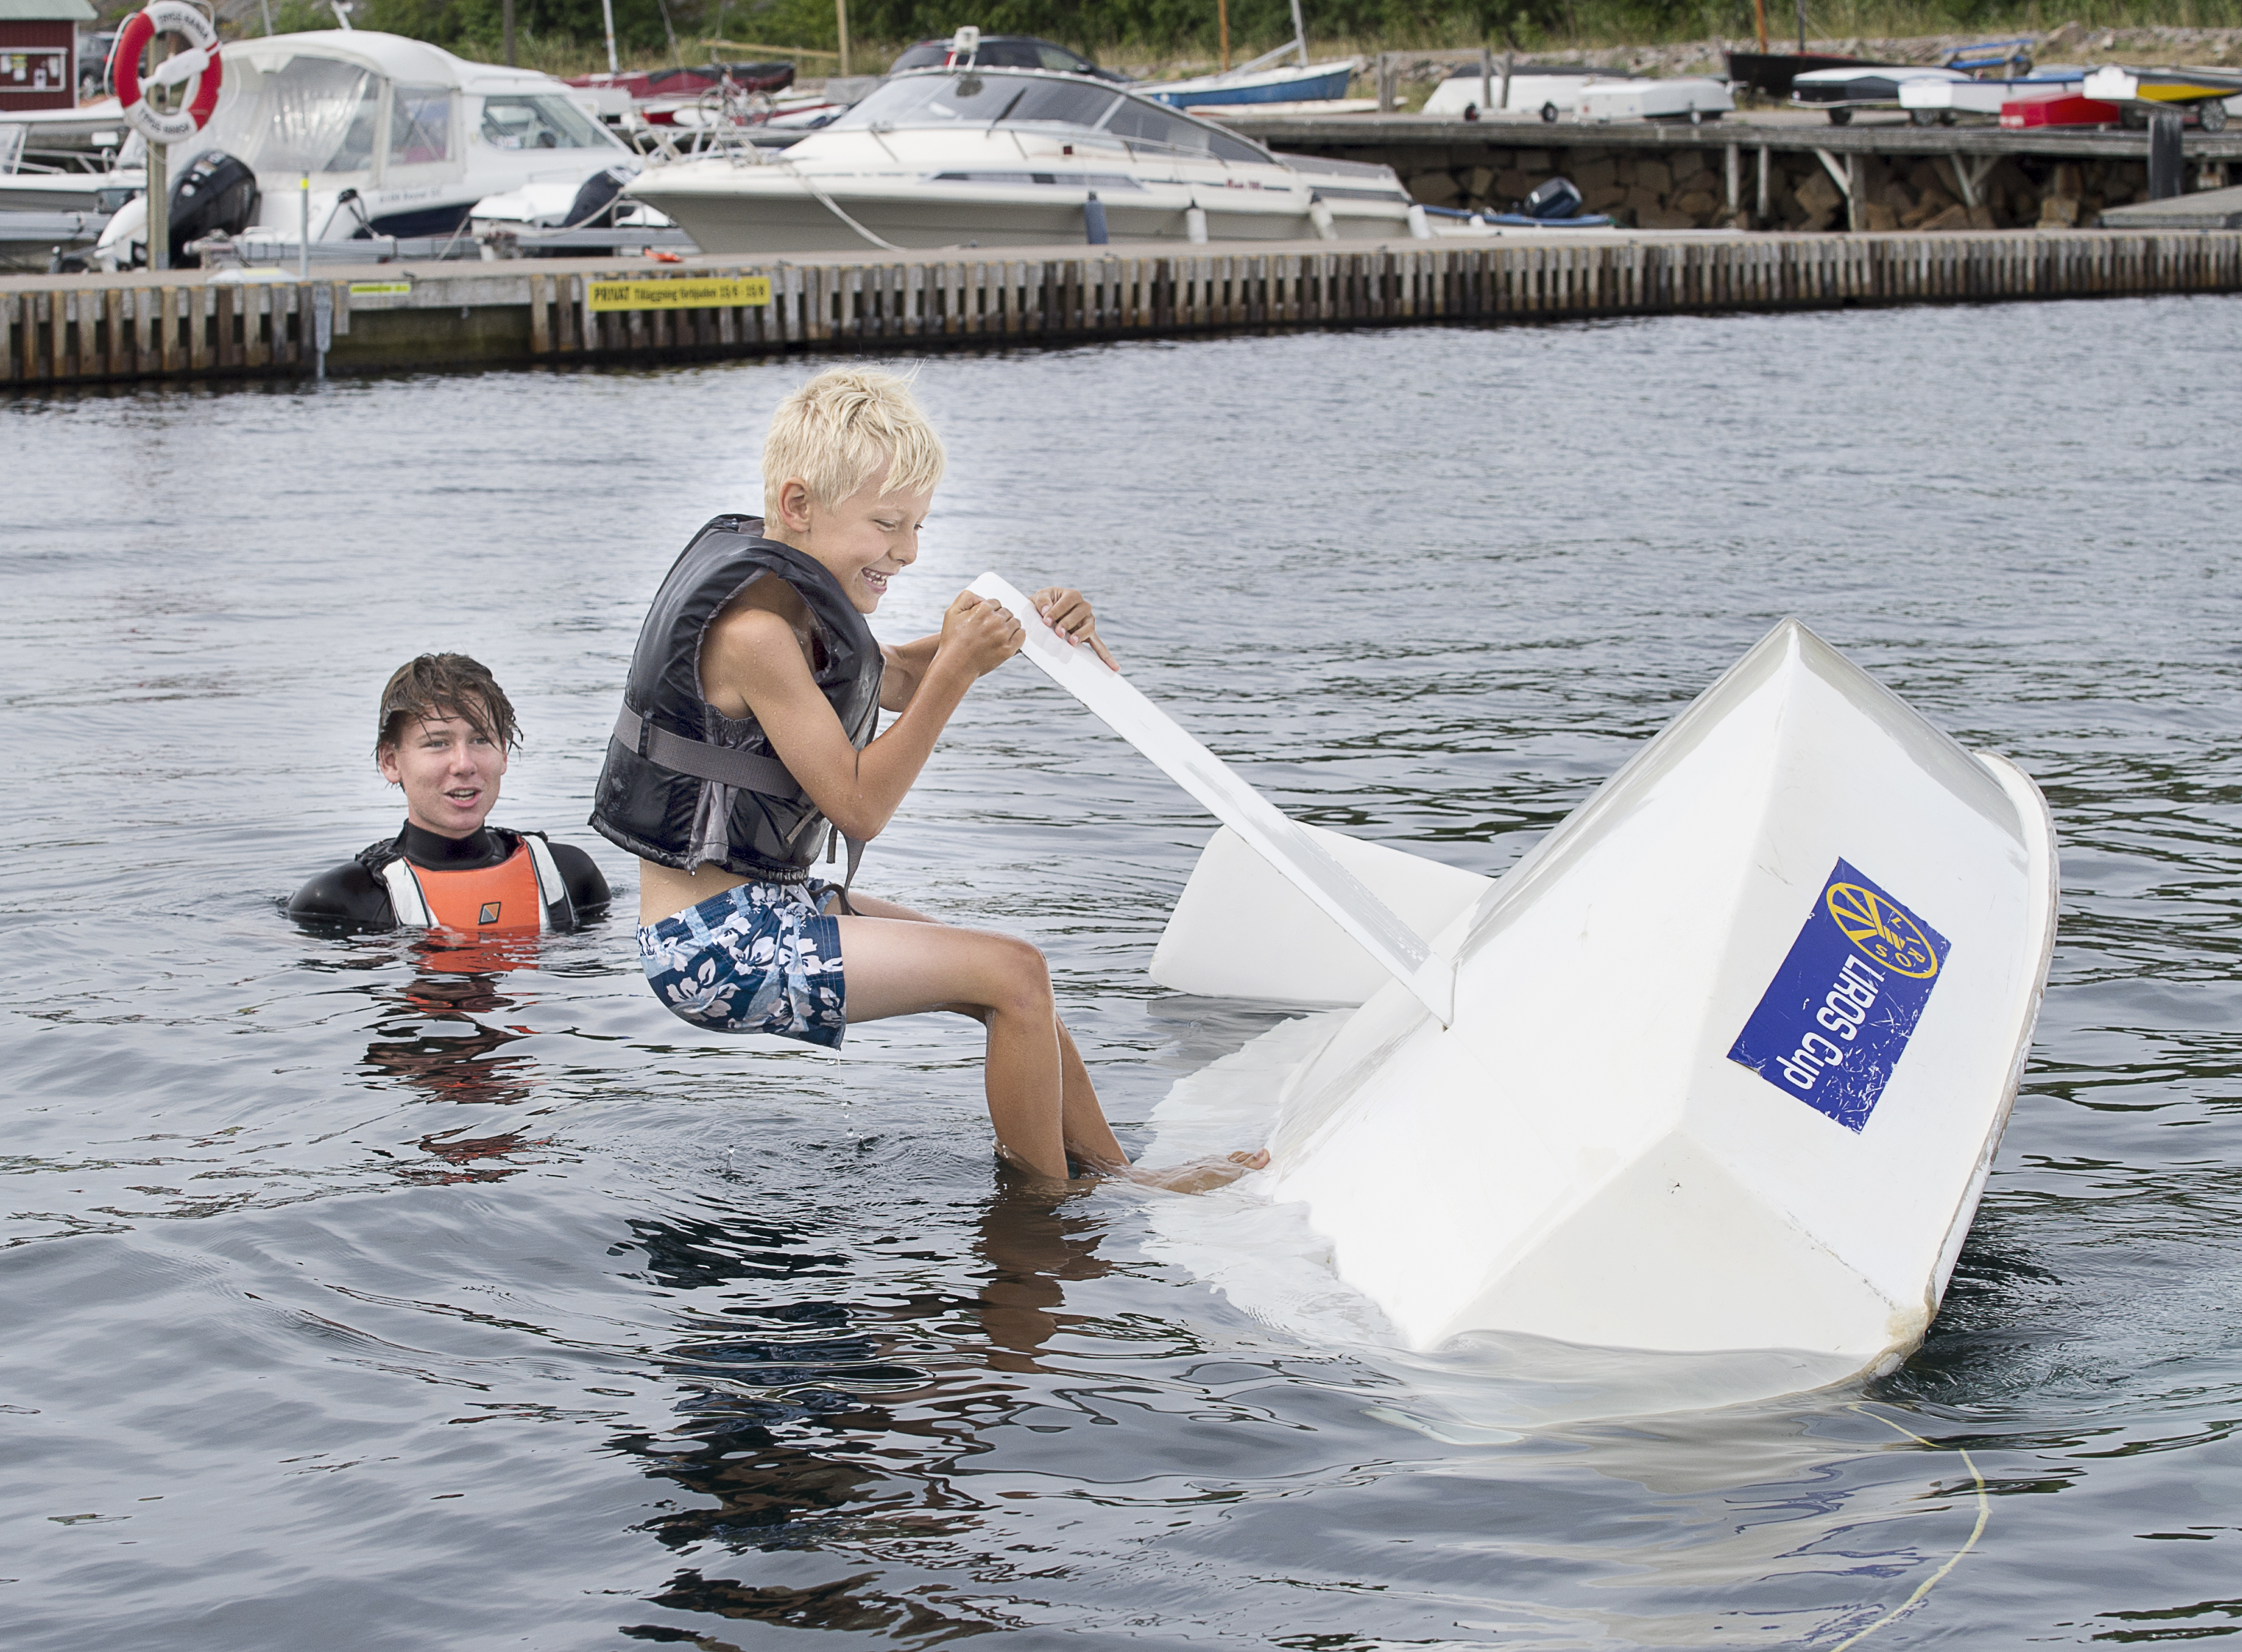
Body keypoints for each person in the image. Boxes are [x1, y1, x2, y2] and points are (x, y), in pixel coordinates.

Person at [589, 367, 1264, 1191]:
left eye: (917, 525)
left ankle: (1117, 1176)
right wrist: (959, 671)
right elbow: (860, 805)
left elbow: (894, 677)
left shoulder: (792, 599)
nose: (907, 552)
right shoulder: (754, 631)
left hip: (764, 908)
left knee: (1019, 982)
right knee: (1011, 972)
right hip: (712, 947)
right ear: (798, 507)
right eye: (886, 524)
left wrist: (1023, 630)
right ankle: (1046, 1216)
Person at [290, 653, 610, 934]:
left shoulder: (568, 877)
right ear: (391, 762)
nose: (464, 764)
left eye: (481, 740)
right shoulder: (343, 899)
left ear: (504, 754)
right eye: (438, 743)